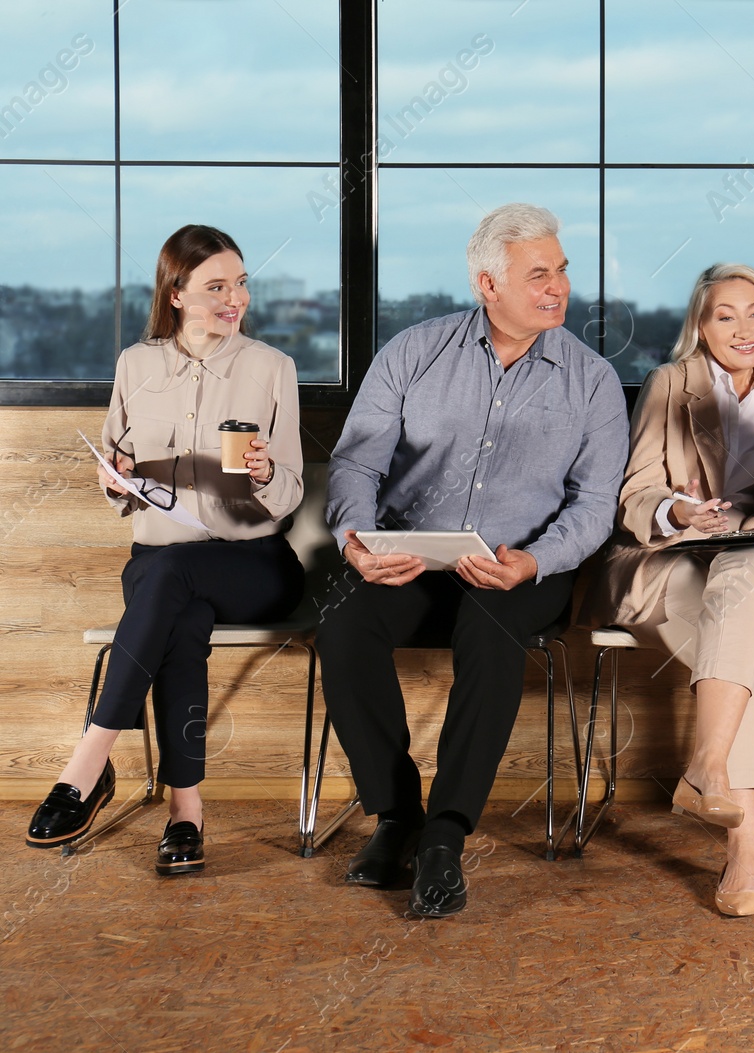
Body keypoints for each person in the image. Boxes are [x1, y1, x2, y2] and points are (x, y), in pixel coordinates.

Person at [319, 203, 627, 918]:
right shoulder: (411, 354)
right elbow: (356, 465)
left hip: (519, 569)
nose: (558, 287)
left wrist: (536, 560)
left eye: (562, 270)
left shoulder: (592, 381)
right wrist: (357, 543)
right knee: (342, 623)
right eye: (538, 273)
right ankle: (397, 816)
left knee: (490, 631)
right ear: (488, 283)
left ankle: (444, 839)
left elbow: (593, 506)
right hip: (412, 558)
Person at [25, 225, 305, 875]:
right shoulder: (136, 366)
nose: (234, 298)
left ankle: (87, 765)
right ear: (175, 293)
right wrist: (114, 481)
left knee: (174, 578)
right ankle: (185, 813)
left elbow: (289, 492)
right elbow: (121, 482)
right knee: (180, 612)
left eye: (240, 284)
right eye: (215, 286)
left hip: (252, 562)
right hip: (159, 565)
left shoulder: (272, 369)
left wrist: (264, 474)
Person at [584, 263, 754, 917]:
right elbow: (633, 496)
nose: (743, 328)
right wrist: (678, 513)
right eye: (725, 314)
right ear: (700, 324)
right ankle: (743, 847)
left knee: (749, 577)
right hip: (667, 564)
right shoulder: (669, 384)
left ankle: (710, 776)